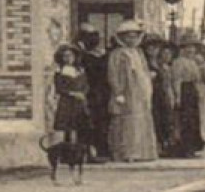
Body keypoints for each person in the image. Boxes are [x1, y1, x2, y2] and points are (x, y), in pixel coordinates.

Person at [106, 19, 158, 162]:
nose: (132, 39)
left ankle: (142, 152)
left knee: (141, 118)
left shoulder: (138, 53)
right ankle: (127, 153)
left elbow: (144, 70)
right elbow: (113, 74)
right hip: (127, 90)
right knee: (127, 120)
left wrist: (148, 79)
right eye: (128, 36)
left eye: (135, 36)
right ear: (122, 38)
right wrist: (118, 92)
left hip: (140, 90)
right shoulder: (118, 54)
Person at [76, 23, 110, 160]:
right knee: (88, 122)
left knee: (101, 122)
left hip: (102, 92)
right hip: (89, 92)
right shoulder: (81, 56)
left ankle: (100, 150)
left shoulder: (104, 55)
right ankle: (88, 152)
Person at [169, 34, 205, 158]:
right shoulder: (178, 62)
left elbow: (197, 80)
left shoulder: (193, 62)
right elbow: (177, 80)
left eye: (193, 47)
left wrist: (199, 93)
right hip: (184, 90)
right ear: (182, 49)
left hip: (192, 91)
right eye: (188, 47)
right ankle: (184, 148)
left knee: (193, 120)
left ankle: (193, 147)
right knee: (185, 120)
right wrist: (178, 96)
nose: (191, 50)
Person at [49, 44, 90, 145]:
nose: (68, 59)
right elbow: (59, 88)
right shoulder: (60, 71)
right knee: (66, 128)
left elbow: (86, 85)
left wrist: (83, 93)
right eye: (65, 56)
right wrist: (72, 93)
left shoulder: (80, 70)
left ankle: (78, 152)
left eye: (70, 56)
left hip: (79, 102)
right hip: (67, 103)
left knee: (79, 126)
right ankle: (66, 152)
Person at [148, 38, 178, 155]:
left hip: (165, 92)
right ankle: (159, 145)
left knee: (166, 118)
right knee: (158, 118)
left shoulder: (166, 67)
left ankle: (166, 144)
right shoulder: (153, 64)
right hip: (155, 92)